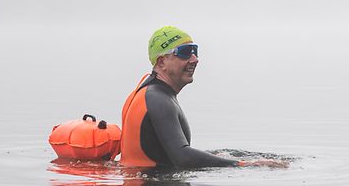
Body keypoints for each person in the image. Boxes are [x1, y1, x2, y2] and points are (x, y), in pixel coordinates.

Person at [120, 26, 279, 168]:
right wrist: (244, 165)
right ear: (161, 62)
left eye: (195, 51)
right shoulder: (158, 99)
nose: (195, 59)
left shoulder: (149, 92)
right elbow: (183, 157)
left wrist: (220, 157)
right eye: (185, 52)